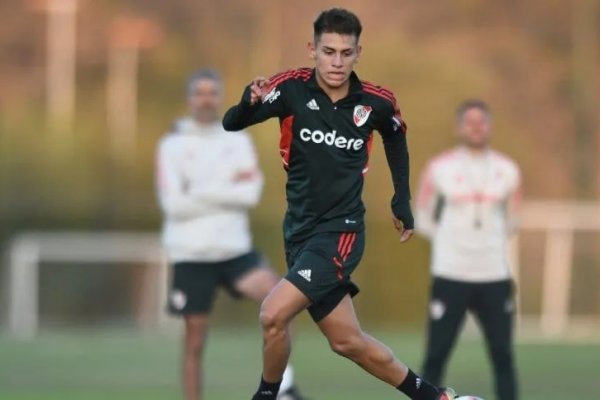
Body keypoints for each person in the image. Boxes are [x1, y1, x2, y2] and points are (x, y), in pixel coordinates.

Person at [222, 8, 458, 400]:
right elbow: (232, 123)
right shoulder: (290, 88)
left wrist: (401, 199)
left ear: (358, 52)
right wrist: (248, 101)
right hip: (299, 231)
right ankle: (435, 397)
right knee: (347, 341)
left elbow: (396, 139)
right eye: (328, 51)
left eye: (345, 53)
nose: (336, 62)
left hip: (341, 232)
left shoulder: (376, 102)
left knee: (272, 313)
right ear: (312, 49)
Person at [156, 69, 306, 400]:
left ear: (220, 96)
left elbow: (249, 194)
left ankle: (282, 388)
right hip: (191, 253)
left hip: (235, 250)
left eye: (212, 92)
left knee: (283, 302)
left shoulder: (238, 139)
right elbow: (174, 204)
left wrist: (197, 189)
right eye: (200, 92)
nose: (206, 99)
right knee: (194, 340)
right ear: (190, 98)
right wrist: (226, 186)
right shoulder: (173, 145)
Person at [415, 100, 521, 400]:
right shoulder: (439, 168)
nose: (476, 127)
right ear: (459, 127)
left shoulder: (507, 169)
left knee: (503, 355)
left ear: (490, 126)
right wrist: (449, 241)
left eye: (482, 121)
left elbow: (513, 217)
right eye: (469, 121)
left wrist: (487, 240)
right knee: (436, 355)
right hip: (450, 273)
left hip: (494, 274)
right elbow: (422, 215)